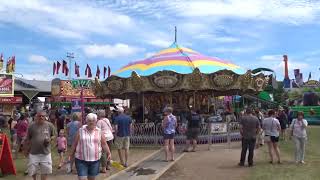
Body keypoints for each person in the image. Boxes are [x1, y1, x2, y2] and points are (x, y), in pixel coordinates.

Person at [69, 113, 111, 180]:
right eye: (89, 120)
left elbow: (104, 144)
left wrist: (109, 153)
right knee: (82, 178)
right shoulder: (80, 131)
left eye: (93, 120)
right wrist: (70, 155)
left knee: (91, 178)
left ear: (96, 121)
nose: (91, 122)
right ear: (86, 121)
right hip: (81, 160)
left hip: (95, 160)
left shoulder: (99, 131)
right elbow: (74, 143)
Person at [24, 111, 56, 180]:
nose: (41, 117)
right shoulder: (31, 126)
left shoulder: (50, 125)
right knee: (32, 170)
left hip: (46, 153)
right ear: (36, 117)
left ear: (45, 117)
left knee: (45, 170)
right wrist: (26, 150)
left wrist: (50, 139)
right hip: (33, 153)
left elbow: (54, 135)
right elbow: (28, 139)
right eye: (39, 116)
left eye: (43, 116)